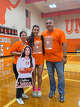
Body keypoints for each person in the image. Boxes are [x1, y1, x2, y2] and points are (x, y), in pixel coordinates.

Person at [41, 18, 67, 102]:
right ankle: (52, 90)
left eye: (50, 23)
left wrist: (65, 56)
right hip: (48, 60)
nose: (48, 24)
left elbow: (64, 44)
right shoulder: (43, 34)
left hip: (59, 60)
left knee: (61, 77)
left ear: (53, 23)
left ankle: (61, 93)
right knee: (51, 77)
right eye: (47, 23)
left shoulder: (60, 32)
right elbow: (40, 45)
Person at [10, 31, 29, 103]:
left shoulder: (27, 44)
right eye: (22, 35)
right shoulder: (17, 43)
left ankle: (22, 93)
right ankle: (18, 97)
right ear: (20, 36)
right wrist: (19, 53)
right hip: (17, 65)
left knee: (22, 80)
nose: (24, 36)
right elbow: (11, 52)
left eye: (25, 35)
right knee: (19, 80)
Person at [28, 25, 45, 97]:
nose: (36, 31)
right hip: (33, 60)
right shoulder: (30, 39)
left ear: (38, 31)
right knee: (33, 76)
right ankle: (34, 90)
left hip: (40, 59)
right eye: (35, 29)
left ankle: (39, 90)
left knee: (40, 75)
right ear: (32, 30)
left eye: (37, 30)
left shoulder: (41, 38)